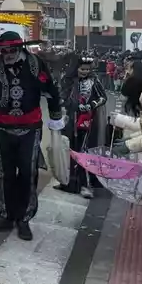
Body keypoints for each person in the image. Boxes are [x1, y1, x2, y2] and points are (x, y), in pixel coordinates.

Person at [0, 31, 64, 241]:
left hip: (30, 127)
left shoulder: (35, 64)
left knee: (28, 173)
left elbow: (52, 90)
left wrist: (56, 120)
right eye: (4, 51)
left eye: (12, 50)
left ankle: (24, 218)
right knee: (5, 173)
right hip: (2, 127)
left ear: (20, 48)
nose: (8, 54)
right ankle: (6, 214)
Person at [59, 58, 107, 199]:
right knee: (68, 150)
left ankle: (85, 185)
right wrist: (74, 106)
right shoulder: (67, 80)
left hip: (87, 121)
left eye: (87, 69)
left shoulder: (94, 81)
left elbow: (103, 97)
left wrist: (91, 105)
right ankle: (68, 183)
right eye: (82, 69)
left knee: (83, 151)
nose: (85, 72)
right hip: (69, 120)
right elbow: (61, 98)